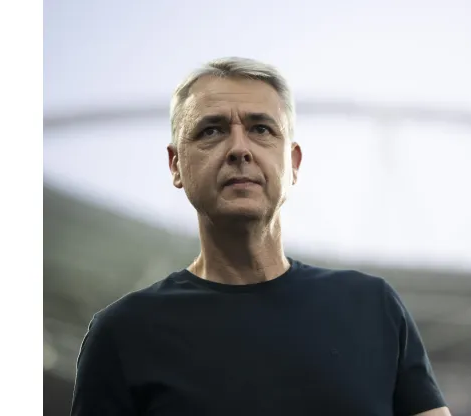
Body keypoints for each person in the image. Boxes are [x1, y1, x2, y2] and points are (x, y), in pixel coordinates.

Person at [70, 57, 450, 416]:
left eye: (261, 129)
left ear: (294, 163)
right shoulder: (122, 335)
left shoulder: (374, 307)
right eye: (212, 130)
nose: (239, 149)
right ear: (176, 165)